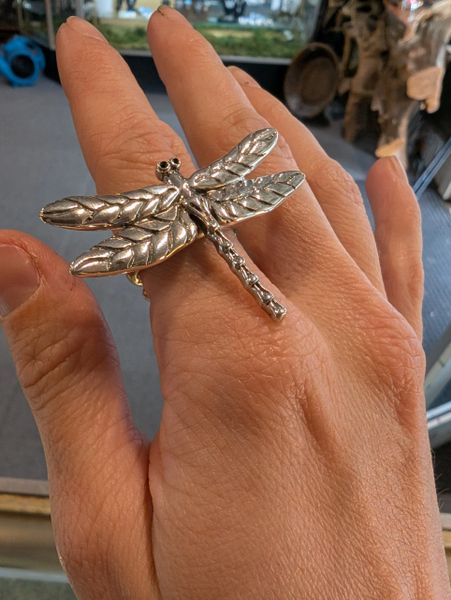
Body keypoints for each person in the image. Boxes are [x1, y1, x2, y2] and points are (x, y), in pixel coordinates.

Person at [0, 8, 449, 599]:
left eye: (170, 173)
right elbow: (259, 163)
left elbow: (108, 222)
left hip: (195, 221)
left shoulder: (167, 199)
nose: (171, 173)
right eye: (170, 173)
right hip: (214, 214)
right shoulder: (217, 182)